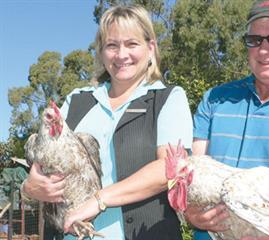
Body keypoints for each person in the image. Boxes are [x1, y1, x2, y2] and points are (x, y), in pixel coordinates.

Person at [21, 5, 193, 240]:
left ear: (150, 48)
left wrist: (99, 200)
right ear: (101, 52)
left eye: (132, 44)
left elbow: (169, 169)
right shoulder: (77, 100)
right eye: (112, 45)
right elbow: (45, 158)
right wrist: (29, 188)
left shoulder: (167, 99)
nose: (121, 55)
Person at [186, 0, 269, 239]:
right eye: (254, 40)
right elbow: (193, 173)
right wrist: (190, 212)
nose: (264, 49)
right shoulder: (215, 99)